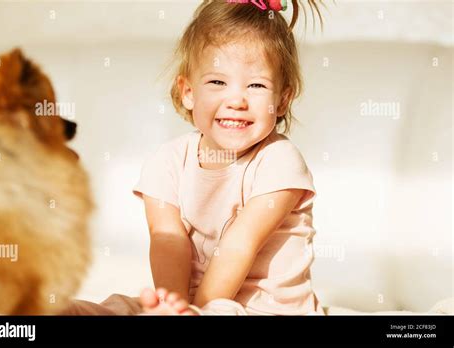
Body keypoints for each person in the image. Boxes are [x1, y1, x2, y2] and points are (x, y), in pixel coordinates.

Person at [62, 0, 325, 316]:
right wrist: (172, 307)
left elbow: (240, 243)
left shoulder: (279, 161)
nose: (237, 100)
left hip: (264, 310)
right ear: (188, 91)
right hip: (194, 305)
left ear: (282, 100)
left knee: (222, 312)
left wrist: (198, 311)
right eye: (217, 82)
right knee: (116, 307)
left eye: (256, 85)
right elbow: (168, 240)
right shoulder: (168, 161)